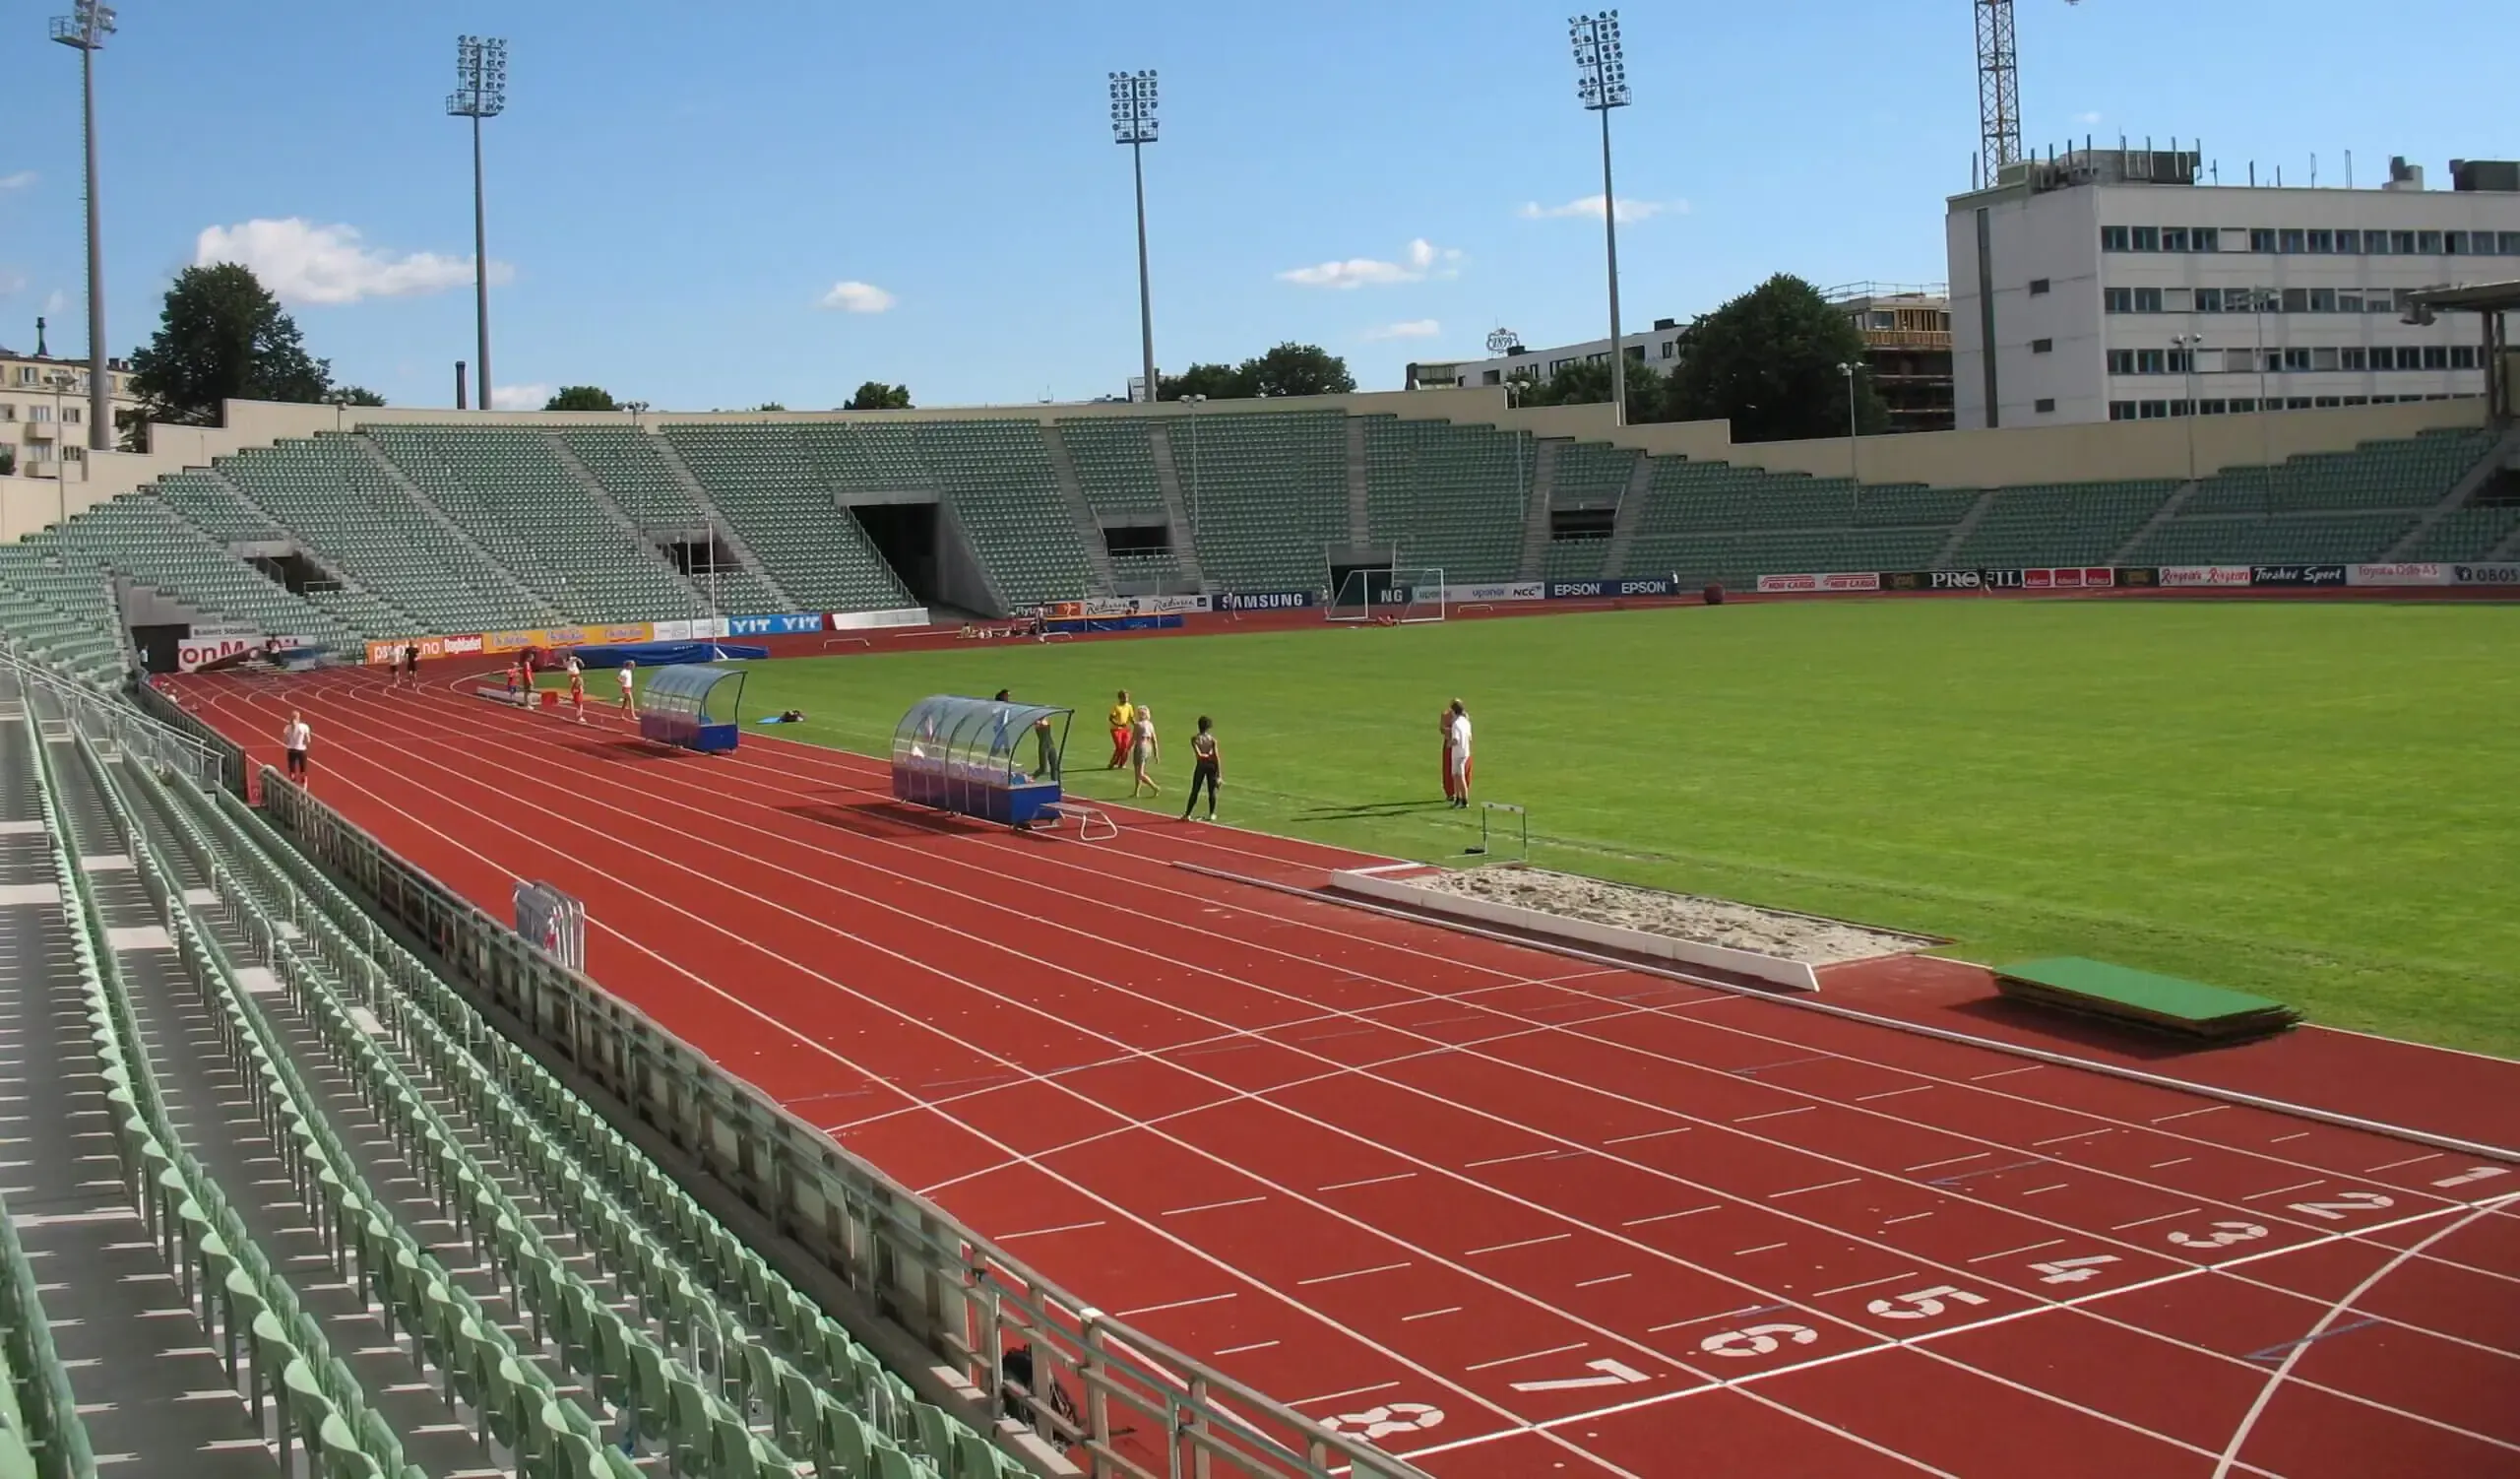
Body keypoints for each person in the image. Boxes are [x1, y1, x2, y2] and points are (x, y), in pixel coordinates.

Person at [1181, 716, 1221, 822]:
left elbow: (1199, 755)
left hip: (1201, 766)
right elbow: (1216, 757)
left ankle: (1187, 814)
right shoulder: (1212, 740)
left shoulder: (1195, 739)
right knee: (1211, 791)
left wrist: (1205, 755)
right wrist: (1219, 775)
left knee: (1195, 790)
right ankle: (1212, 813)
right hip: (1211, 766)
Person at [1445, 699, 1474, 808]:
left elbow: (1455, 740)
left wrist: (1449, 744)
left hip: (1458, 753)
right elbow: (1470, 738)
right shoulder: (1466, 721)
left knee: (1459, 776)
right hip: (1465, 751)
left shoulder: (1456, 724)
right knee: (1456, 775)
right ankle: (1458, 798)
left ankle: (1464, 800)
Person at [1128, 704, 1161, 798]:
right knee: (1137, 771)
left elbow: (1133, 738)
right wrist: (1156, 754)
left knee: (1140, 773)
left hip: (1140, 748)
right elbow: (1154, 740)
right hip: (1148, 748)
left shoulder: (1138, 725)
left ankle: (1155, 787)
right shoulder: (1150, 725)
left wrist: (1128, 748)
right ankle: (1136, 792)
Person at [281, 711, 312, 787]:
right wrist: (304, 744)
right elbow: (308, 740)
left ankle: (293, 786)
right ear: (299, 718)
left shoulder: (287, 727)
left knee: (292, 770)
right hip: (302, 750)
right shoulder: (304, 726)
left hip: (291, 750)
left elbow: (284, 740)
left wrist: (290, 742)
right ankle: (304, 788)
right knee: (303, 769)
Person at [1106, 689, 1135, 769]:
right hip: (1116, 729)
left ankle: (1122, 764)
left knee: (1126, 747)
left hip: (1125, 729)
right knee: (1119, 747)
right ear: (1120, 698)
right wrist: (1119, 724)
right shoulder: (1116, 707)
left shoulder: (1129, 706)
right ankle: (1113, 763)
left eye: (1127, 697)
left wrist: (1136, 725)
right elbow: (1111, 718)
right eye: (1125, 697)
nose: (1126, 699)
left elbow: (1131, 717)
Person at [566, 655, 588, 724]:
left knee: (579, 703)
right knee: (580, 703)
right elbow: (577, 659)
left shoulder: (568, 660)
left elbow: (577, 659)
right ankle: (579, 717)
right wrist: (581, 663)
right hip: (574, 676)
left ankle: (579, 716)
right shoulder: (571, 659)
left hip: (573, 676)